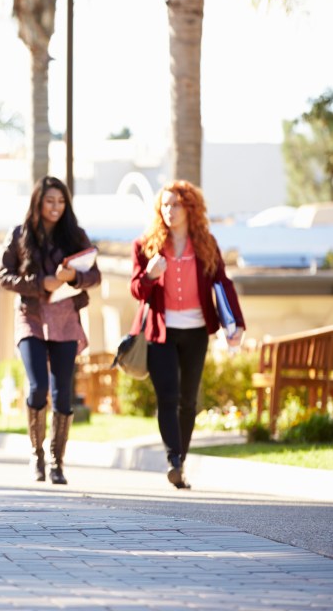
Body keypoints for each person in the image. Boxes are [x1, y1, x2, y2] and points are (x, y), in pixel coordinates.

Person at [130, 180, 245, 489]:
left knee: (188, 401)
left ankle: (180, 458)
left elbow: (223, 282)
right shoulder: (145, 245)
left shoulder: (206, 243)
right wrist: (150, 275)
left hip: (196, 330)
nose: (170, 210)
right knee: (167, 397)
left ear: (189, 208)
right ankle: (174, 461)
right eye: (165, 205)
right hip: (161, 332)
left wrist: (237, 324)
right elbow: (137, 290)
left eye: (176, 204)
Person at [0, 176, 101, 485]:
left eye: (61, 201)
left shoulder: (76, 235)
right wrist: (39, 283)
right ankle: (37, 455)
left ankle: (57, 462)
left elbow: (94, 274)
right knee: (37, 387)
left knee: (63, 393)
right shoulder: (20, 234)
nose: (56, 207)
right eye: (49, 201)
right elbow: (4, 276)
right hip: (31, 315)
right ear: (38, 202)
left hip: (66, 318)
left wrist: (72, 278)